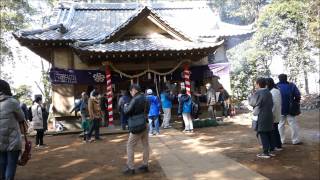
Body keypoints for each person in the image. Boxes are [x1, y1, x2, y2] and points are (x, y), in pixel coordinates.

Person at [0, 80, 26, 180]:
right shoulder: (12, 102)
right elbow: (21, 117)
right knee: (10, 166)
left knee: (2, 166)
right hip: (13, 141)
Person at [123, 84, 149, 175]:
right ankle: (145, 165)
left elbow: (127, 111)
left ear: (134, 90)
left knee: (130, 145)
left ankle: (131, 168)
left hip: (137, 125)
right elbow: (147, 110)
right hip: (145, 123)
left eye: (131, 91)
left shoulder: (134, 99)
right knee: (145, 145)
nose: (131, 93)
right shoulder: (146, 98)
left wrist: (125, 105)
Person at [249, 77, 274, 159]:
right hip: (269, 114)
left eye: (256, 84)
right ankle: (270, 151)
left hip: (261, 115)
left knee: (262, 133)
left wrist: (250, 96)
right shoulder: (268, 92)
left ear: (258, 84)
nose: (255, 85)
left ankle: (265, 152)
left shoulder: (258, 93)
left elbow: (252, 103)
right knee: (269, 133)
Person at [277, 74, 302, 145]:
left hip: (280, 109)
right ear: (286, 78)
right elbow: (298, 95)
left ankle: (281, 140)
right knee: (293, 124)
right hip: (290, 109)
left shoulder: (276, 86)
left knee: (280, 124)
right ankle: (295, 140)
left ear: (279, 79)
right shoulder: (292, 85)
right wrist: (295, 103)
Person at [266, 78, 283, 151]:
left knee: (274, 131)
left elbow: (274, 105)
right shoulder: (274, 91)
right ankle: (277, 145)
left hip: (274, 114)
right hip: (275, 114)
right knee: (275, 130)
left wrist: (271, 114)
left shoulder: (274, 91)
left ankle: (277, 146)